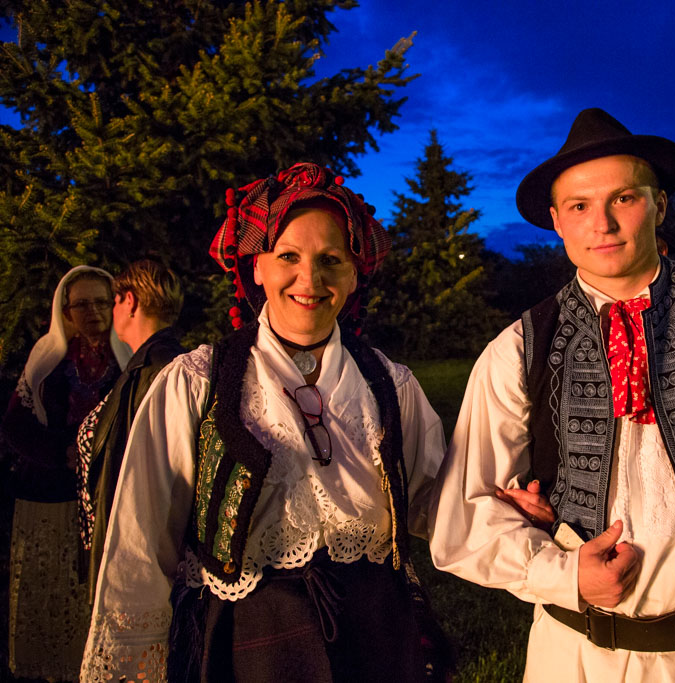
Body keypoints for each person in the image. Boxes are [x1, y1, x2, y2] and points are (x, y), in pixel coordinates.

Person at [429, 108, 675, 681]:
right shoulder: (517, 348)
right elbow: (465, 515)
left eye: (623, 198)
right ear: (556, 221)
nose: (603, 223)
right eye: (579, 206)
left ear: (659, 205)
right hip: (574, 656)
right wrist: (563, 572)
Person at [81, 163, 448, 682]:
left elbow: (441, 499)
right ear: (256, 268)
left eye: (331, 260)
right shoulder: (196, 383)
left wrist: (509, 505)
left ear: (353, 274)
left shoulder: (390, 384)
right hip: (252, 647)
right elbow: (140, 543)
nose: (310, 279)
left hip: (378, 641)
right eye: (288, 257)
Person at [1, 265, 130, 680]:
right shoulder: (48, 359)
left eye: (101, 302)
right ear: (66, 311)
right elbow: (15, 426)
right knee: (49, 593)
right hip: (49, 497)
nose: (93, 312)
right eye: (82, 304)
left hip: (105, 497)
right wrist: (64, 454)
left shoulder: (127, 357)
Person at [76, 259, 187, 598]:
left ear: (130, 301)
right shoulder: (144, 366)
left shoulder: (158, 369)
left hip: (136, 557)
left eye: (113, 301)